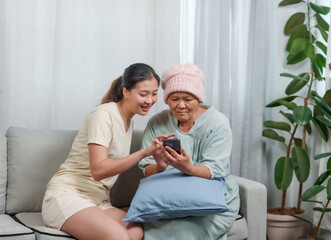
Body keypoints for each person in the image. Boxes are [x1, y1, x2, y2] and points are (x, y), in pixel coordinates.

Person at [42, 63, 173, 240]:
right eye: (143, 94)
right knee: (118, 236)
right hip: (67, 194)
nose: (149, 100)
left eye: (154, 93)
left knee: (136, 231)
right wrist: (144, 152)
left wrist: (160, 164)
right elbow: (98, 171)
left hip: (97, 201)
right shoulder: (103, 115)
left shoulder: (129, 121)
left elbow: (108, 175)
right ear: (126, 92)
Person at [138, 63, 240, 240]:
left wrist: (188, 168)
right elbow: (145, 168)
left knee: (188, 235)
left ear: (199, 98)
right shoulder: (157, 122)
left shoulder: (218, 123)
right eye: (174, 99)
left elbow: (215, 170)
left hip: (213, 199)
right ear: (166, 99)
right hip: (167, 199)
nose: (181, 105)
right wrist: (161, 166)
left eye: (188, 99)